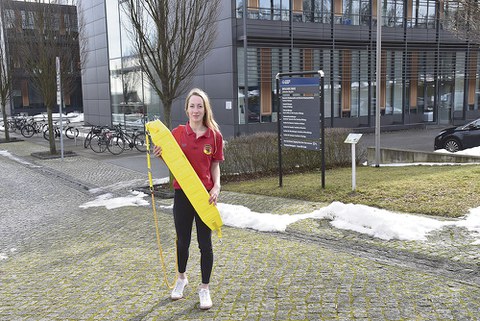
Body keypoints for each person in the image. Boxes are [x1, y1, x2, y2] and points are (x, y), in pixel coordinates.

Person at [153, 88, 224, 310]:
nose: (195, 110)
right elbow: (175, 165)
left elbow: (215, 166)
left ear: (205, 109)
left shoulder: (214, 136)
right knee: (183, 241)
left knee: (205, 244)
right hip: (183, 195)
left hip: (204, 197)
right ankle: (181, 278)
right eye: (192, 106)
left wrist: (217, 187)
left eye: (199, 106)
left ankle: (204, 288)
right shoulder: (177, 134)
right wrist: (161, 156)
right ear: (186, 109)